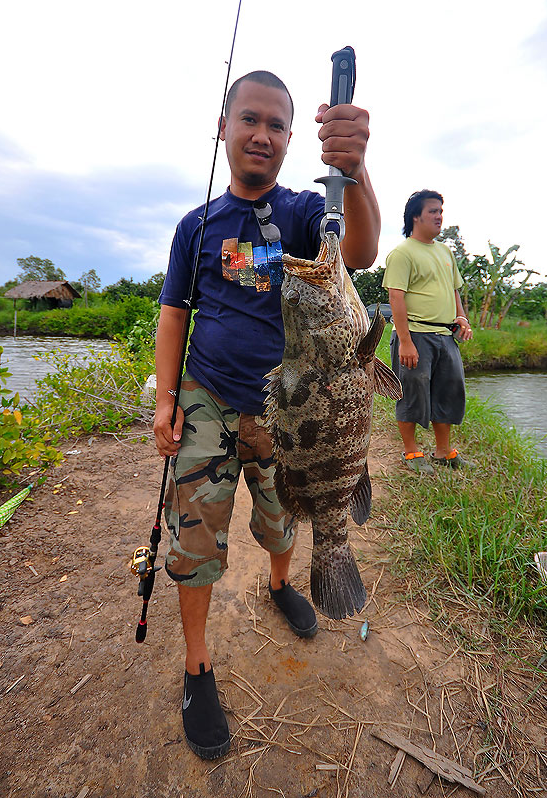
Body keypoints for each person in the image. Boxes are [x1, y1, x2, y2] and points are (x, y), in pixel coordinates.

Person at [153, 70, 380, 759]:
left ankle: (283, 584)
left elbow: (362, 252)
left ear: (288, 138)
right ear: (223, 127)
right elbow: (174, 313)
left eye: (278, 125)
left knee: (283, 516)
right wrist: (166, 397)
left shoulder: (309, 212)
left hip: (291, 415)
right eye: (249, 118)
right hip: (208, 396)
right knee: (196, 541)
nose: (263, 134)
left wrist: (356, 168)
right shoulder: (196, 226)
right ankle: (198, 667)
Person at [382, 189, 474, 475]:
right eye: (433, 211)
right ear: (416, 217)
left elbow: (454, 290)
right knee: (412, 392)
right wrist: (405, 342)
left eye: (440, 211)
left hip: (446, 337)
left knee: (447, 391)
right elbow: (396, 297)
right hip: (416, 336)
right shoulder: (402, 253)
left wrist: (461, 318)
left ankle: (444, 452)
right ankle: (411, 452)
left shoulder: (445, 251)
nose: (439, 216)